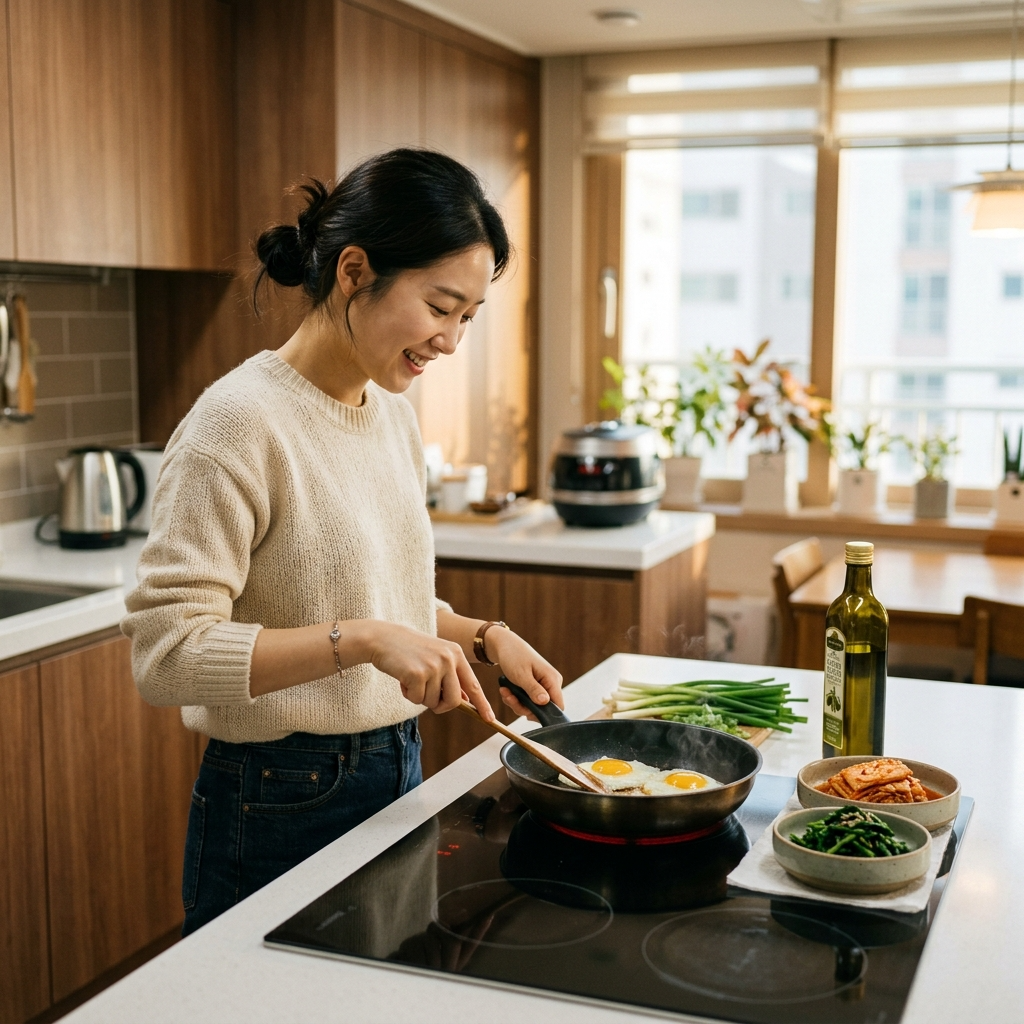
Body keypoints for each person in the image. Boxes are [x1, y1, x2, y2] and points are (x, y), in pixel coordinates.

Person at [122, 149, 563, 936]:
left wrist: (484, 638)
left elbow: (371, 595)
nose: (451, 341)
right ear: (355, 271)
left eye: (468, 316)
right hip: (276, 794)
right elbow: (167, 655)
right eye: (439, 306)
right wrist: (358, 641)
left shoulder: (388, 408)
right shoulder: (237, 424)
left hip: (396, 762)